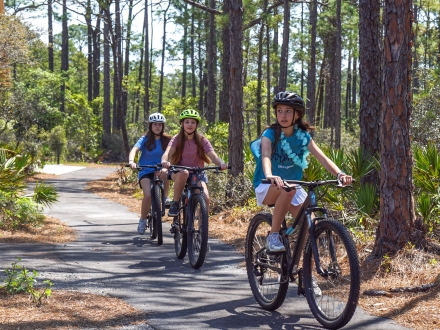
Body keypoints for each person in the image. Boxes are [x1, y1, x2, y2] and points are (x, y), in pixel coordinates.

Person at [253, 91, 352, 252]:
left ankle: (306, 274)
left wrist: (340, 174)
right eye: (279, 111)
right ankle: (273, 235)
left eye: (288, 111)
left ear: (296, 115)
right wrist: (270, 175)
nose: (283, 115)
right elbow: (266, 155)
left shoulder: (303, 137)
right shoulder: (269, 134)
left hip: (293, 185)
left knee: (313, 229)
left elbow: (323, 158)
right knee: (288, 189)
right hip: (268, 185)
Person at [161, 109, 228, 217]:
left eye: (193, 122)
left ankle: (202, 229)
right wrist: (164, 161)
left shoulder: (202, 140)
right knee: (184, 172)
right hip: (178, 172)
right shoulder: (177, 139)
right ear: (182, 124)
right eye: (187, 122)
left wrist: (221, 163)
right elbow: (167, 153)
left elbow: (213, 156)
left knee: (205, 198)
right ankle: (175, 203)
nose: (190, 125)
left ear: (196, 125)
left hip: (197, 174)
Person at [128, 112, 171, 235]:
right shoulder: (145, 139)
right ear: (150, 126)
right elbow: (134, 150)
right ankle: (143, 219)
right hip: (145, 170)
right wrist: (132, 161)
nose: (157, 127)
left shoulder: (167, 140)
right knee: (147, 195)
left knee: (165, 172)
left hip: (159, 170)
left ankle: (165, 197)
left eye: (160, 125)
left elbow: (176, 151)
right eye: (155, 124)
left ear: (163, 126)